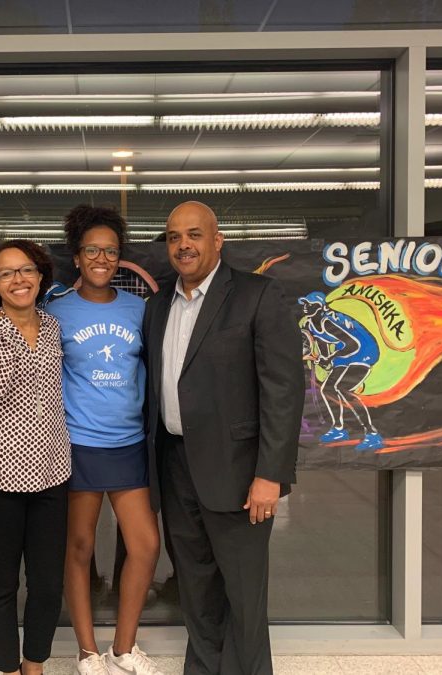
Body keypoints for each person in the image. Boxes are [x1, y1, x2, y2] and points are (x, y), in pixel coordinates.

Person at [142, 201, 304, 675]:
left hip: (239, 473)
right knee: (194, 584)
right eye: (174, 237)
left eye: (194, 234)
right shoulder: (157, 306)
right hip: (174, 466)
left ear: (217, 241)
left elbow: (283, 391)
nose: (183, 245)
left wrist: (270, 476)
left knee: (243, 592)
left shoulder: (257, 295)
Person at [46, 205, 163, 675]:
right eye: (92, 249)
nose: (101, 257)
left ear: (120, 258)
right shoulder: (55, 312)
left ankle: (124, 648)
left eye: (110, 251)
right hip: (78, 446)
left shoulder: (140, 309)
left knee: (146, 544)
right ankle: (87, 652)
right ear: (77, 256)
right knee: (78, 547)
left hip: (129, 444)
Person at [0, 240, 71, 675]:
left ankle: (34, 664)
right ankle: (7, 668)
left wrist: (22, 324)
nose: (18, 279)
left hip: (51, 470)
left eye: (26, 270)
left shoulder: (52, 326)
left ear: (41, 275)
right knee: (1, 581)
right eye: (5, 274)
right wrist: (3, 326)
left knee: (47, 584)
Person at [298, 291, 384, 450]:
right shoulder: (310, 324)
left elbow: (353, 345)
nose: (305, 307)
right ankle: (339, 429)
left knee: (343, 388)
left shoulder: (328, 322)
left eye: (309, 304)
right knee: (328, 389)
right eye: (304, 304)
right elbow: (322, 343)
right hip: (345, 350)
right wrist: (325, 359)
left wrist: (329, 358)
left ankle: (372, 434)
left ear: (319, 307)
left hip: (365, 349)